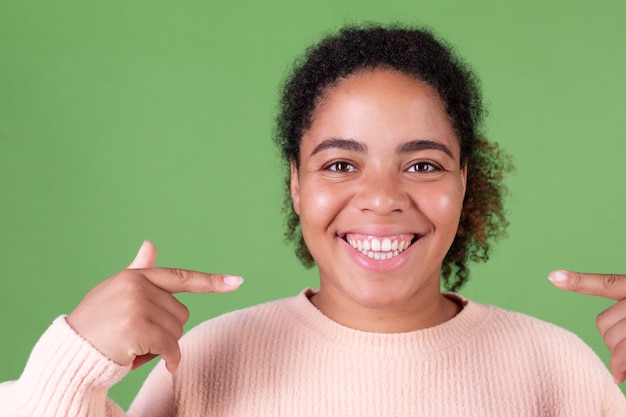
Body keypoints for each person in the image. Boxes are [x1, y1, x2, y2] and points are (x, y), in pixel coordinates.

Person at [1, 24, 625, 416]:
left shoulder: (556, 368)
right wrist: (73, 360)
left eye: (424, 166)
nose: (381, 199)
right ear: (295, 187)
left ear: (466, 184)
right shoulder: (207, 363)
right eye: (340, 165)